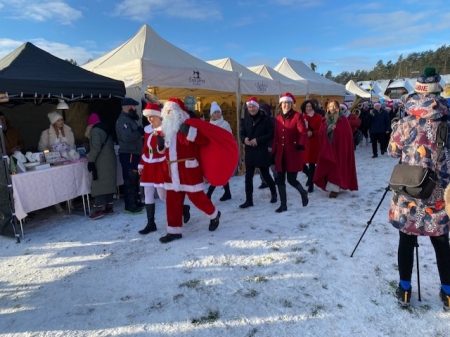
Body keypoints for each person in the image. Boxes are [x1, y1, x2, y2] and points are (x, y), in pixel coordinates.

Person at [388, 67, 450, 309]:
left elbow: (393, 152)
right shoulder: (446, 121)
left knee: (406, 239)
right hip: (439, 191)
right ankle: (447, 292)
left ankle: (404, 289)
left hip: (409, 189)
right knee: (441, 242)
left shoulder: (405, 121)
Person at [157, 98, 237, 243]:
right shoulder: (165, 130)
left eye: (171, 111)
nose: (168, 113)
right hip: (171, 171)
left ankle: (214, 215)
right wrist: (160, 145)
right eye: (166, 111)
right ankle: (174, 231)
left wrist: (188, 132)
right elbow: (163, 151)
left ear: (179, 113)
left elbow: (204, 141)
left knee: (197, 198)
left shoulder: (190, 125)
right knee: (172, 201)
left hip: (188, 169)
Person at [271, 93, 308, 212]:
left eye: (288, 103)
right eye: (284, 103)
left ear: (292, 104)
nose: (286, 105)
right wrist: (273, 152)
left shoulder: (297, 116)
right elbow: (276, 137)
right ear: (281, 104)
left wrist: (301, 144)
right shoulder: (278, 118)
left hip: (293, 152)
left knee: (291, 180)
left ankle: (303, 192)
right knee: (280, 180)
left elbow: (303, 132)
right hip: (281, 154)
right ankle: (283, 205)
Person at [314, 100, 358, 198]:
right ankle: (332, 186)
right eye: (330, 106)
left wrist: (337, 131)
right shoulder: (324, 119)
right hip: (328, 147)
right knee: (329, 166)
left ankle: (335, 188)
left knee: (337, 168)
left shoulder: (343, 119)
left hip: (339, 148)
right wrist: (328, 129)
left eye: (334, 106)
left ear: (338, 108)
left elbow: (347, 134)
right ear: (327, 108)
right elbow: (321, 133)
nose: (332, 108)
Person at [239, 96, 277, 209]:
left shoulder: (266, 119)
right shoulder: (246, 119)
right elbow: (242, 132)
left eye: (253, 107)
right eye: (249, 107)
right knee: (248, 177)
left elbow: (271, 134)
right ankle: (249, 200)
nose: (251, 109)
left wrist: (258, 140)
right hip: (250, 151)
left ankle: (274, 193)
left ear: (257, 107)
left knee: (266, 174)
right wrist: (244, 139)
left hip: (261, 151)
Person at [137, 103, 167, 234]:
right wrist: (141, 164)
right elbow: (145, 148)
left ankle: (182, 208)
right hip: (148, 163)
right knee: (148, 193)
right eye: (147, 116)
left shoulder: (166, 128)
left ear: (158, 115)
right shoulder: (147, 129)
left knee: (163, 195)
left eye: (152, 116)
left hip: (160, 162)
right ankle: (151, 223)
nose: (149, 119)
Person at [38, 111, 75, 213]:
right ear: (54, 122)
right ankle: (57, 204)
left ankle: (70, 201)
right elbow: (41, 147)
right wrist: (48, 150)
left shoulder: (67, 131)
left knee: (68, 181)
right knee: (55, 183)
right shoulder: (46, 133)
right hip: (54, 162)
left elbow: (72, 145)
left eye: (62, 120)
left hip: (67, 160)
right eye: (58, 120)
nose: (61, 122)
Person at [115, 97, 144, 214]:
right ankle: (130, 206)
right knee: (130, 179)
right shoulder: (123, 120)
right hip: (129, 154)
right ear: (128, 107)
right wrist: (139, 133)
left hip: (134, 153)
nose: (135, 108)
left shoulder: (129, 119)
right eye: (134, 106)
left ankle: (136, 202)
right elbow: (126, 137)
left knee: (134, 179)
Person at [86, 113, 117, 220]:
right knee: (108, 183)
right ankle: (109, 207)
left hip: (100, 161)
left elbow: (95, 147)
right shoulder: (105, 128)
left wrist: (90, 161)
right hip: (110, 160)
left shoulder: (95, 131)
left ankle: (98, 210)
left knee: (98, 184)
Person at [206, 101, 233, 201]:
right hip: (214, 152)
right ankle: (227, 192)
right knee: (220, 172)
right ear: (211, 114)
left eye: (218, 112)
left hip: (222, 152)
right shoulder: (210, 125)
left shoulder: (225, 124)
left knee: (217, 172)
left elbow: (229, 137)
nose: (217, 114)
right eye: (215, 112)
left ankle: (209, 194)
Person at [301, 100, 322, 193]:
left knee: (312, 165)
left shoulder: (318, 117)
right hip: (305, 143)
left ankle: (311, 184)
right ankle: (310, 178)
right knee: (301, 164)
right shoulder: (302, 117)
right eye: (306, 107)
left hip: (314, 143)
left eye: (310, 106)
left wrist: (313, 133)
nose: (308, 108)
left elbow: (321, 130)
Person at [257, 103, 277, 189]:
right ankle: (264, 181)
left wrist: (272, 145)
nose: (261, 113)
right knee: (262, 165)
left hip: (271, 145)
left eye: (263, 111)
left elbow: (274, 134)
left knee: (273, 164)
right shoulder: (257, 120)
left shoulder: (273, 120)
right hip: (261, 146)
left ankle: (277, 178)